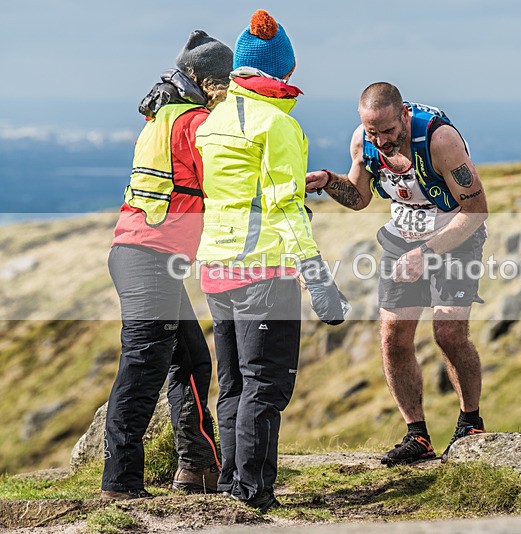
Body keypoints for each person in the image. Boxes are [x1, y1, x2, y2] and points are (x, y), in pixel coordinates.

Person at [195, 9, 348, 512]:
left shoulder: (213, 121)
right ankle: (252, 491)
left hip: (217, 266)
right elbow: (282, 207)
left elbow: (239, 191)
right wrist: (319, 279)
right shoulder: (276, 124)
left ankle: (230, 482)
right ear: (281, 70)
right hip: (264, 270)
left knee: (235, 380)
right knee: (267, 382)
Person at [306, 82, 489, 465]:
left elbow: (476, 211)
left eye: (388, 131)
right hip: (400, 241)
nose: (381, 140)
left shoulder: (440, 141)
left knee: (449, 333)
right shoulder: (364, 140)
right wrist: (329, 180)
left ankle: (471, 423)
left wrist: (427, 251)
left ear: (404, 113)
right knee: (393, 336)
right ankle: (417, 437)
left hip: (455, 237)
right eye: (373, 132)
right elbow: (359, 197)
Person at [101, 31, 233, 500]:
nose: (229, 92)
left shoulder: (165, 113)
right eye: (225, 84)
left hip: (143, 256)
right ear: (209, 83)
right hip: (150, 259)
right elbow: (228, 179)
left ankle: (197, 467)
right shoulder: (195, 123)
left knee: (192, 360)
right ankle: (120, 483)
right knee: (143, 368)